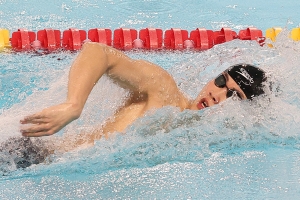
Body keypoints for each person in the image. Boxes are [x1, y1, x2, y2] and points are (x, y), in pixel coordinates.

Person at [19, 42, 267, 149]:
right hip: (33, 152)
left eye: (233, 95)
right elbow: (97, 52)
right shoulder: (163, 89)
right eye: (222, 81)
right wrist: (74, 105)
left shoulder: (203, 142)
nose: (217, 95)